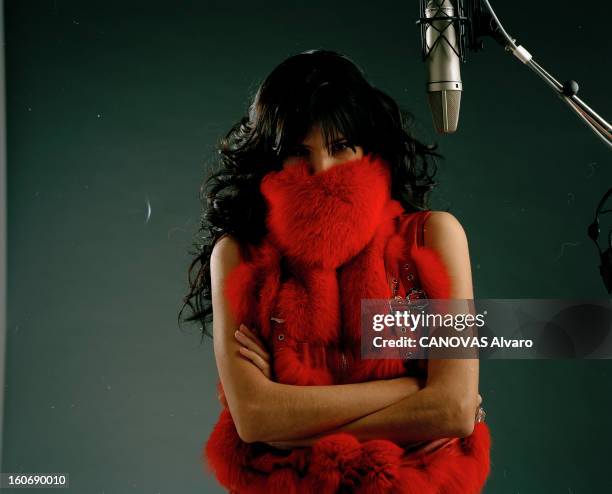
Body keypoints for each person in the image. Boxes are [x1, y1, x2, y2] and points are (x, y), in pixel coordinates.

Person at [180, 49, 491, 493]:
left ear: (369, 148)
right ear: (270, 160)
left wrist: (290, 424)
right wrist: (415, 389)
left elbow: (454, 409)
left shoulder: (432, 238)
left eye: (340, 146)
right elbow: (255, 420)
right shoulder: (240, 257)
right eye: (297, 151)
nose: (321, 170)